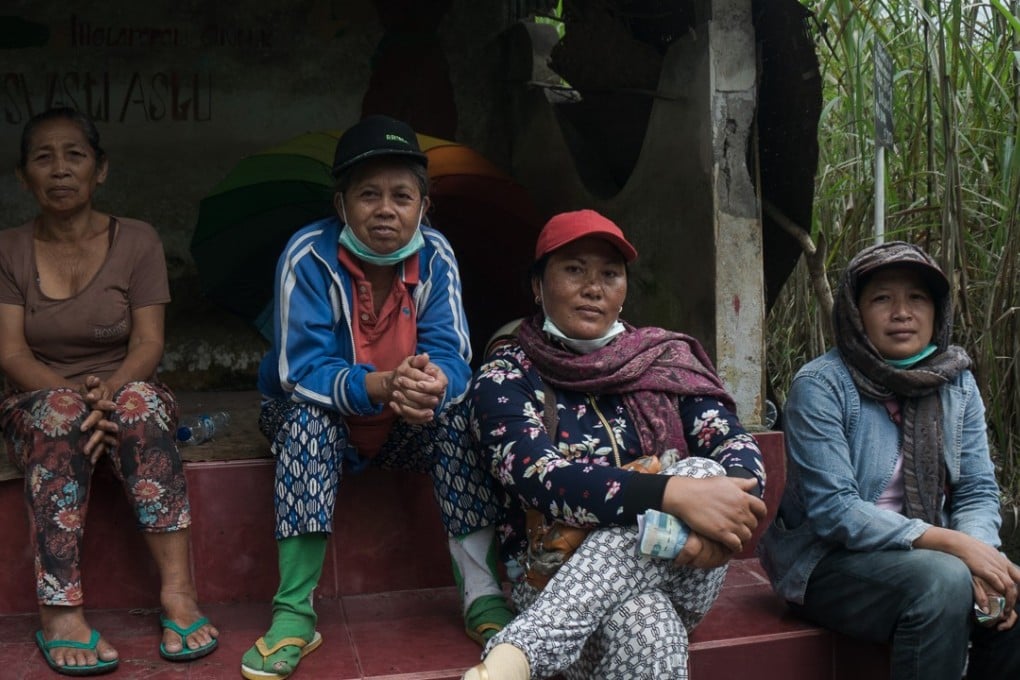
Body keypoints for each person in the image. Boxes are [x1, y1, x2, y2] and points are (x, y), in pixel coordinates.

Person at [241, 114, 509, 680]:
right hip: (319, 421)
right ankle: (294, 612)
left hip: (400, 423)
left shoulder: (436, 256)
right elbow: (300, 371)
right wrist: (381, 385)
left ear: (423, 206)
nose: (385, 209)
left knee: (457, 418)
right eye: (368, 195)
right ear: (341, 205)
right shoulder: (308, 255)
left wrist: (434, 386)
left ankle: (482, 595)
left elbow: (455, 355)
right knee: (307, 419)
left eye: (401, 196)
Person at [462, 209, 767, 680]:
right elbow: (543, 479)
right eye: (574, 269)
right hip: (552, 574)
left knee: (705, 474)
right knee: (649, 626)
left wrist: (710, 531)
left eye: (610, 273)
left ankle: (519, 654)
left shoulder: (663, 362)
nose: (593, 286)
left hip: (688, 565)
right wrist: (672, 495)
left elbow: (736, 448)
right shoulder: (507, 376)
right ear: (537, 287)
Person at [0, 107, 218, 675]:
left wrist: (109, 394)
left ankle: (179, 594)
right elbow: (11, 353)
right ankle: (59, 611)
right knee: (59, 415)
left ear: (101, 170)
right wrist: (76, 402)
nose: (60, 169)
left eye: (75, 155)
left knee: (141, 406)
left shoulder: (138, 241)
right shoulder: (7, 250)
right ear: (23, 176)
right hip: (37, 399)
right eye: (43, 158)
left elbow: (148, 343)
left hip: (125, 387)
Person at [757, 241, 1020, 680]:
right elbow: (835, 510)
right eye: (882, 299)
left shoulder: (956, 384)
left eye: (916, 298)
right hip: (826, 561)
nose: (902, 312)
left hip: (935, 559)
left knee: (1007, 596)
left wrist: (982, 559)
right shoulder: (822, 384)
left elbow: (976, 489)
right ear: (856, 314)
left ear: (937, 311)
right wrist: (955, 547)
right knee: (942, 583)